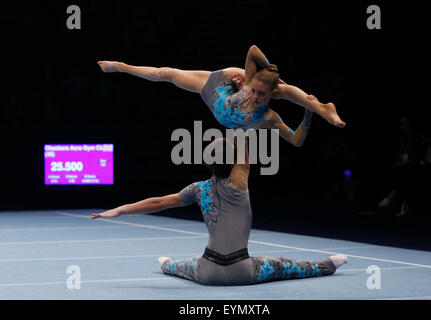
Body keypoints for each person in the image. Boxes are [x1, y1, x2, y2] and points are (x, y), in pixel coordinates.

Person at [91, 137, 348, 286]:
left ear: (208, 163)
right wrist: (245, 101)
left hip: (207, 271)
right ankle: (329, 265)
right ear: (235, 163)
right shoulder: (239, 183)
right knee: (287, 265)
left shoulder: (198, 189)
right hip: (243, 271)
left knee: (181, 266)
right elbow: (245, 140)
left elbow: (158, 202)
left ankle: (166, 264)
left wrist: (120, 210)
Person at [97, 45, 345, 147]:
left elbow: (296, 141)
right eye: (255, 90)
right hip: (216, 88)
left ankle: (322, 108)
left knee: (282, 89)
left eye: (262, 94)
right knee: (167, 74)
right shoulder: (246, 83)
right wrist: (269, 69)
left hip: (224, 103)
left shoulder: (270, 117)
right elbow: (253, 50)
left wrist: (308, 113)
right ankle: (121, 66)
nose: (255, 96)